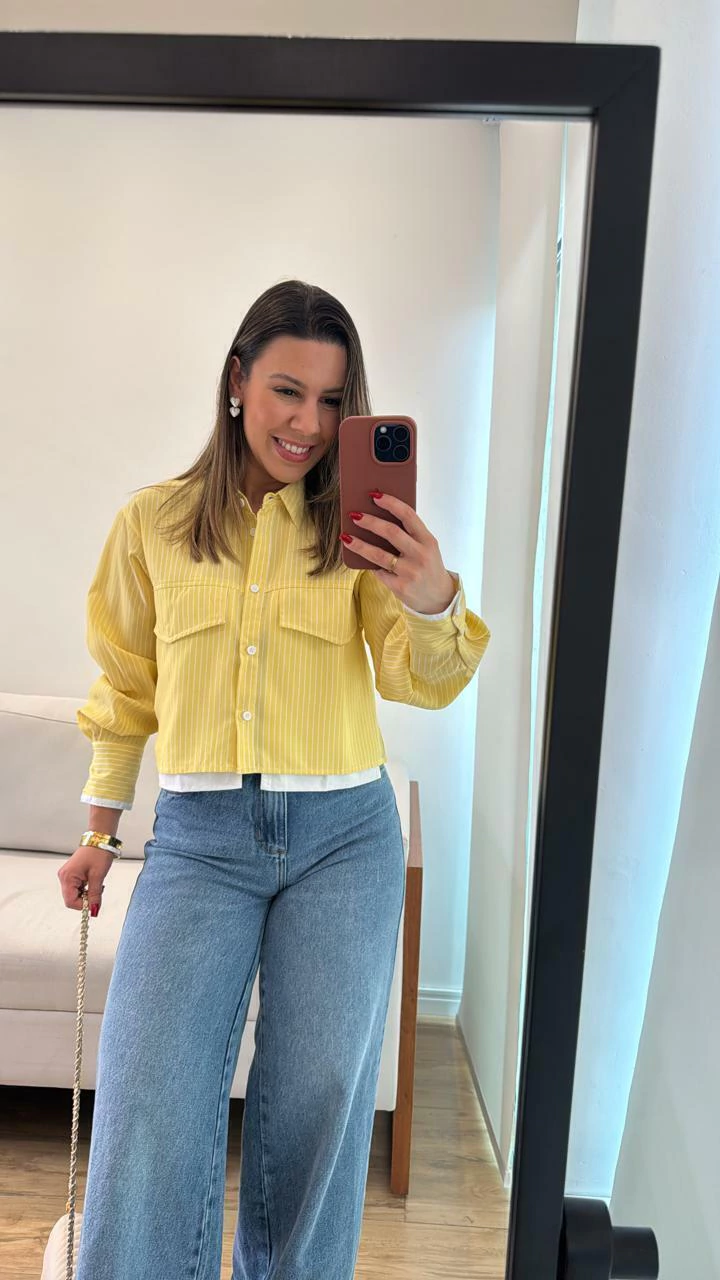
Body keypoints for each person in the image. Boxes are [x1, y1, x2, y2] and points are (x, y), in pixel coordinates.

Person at [58, 279, 491, 1280]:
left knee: (319, 1101)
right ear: (238, 381)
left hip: (345, 838)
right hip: (199, 837)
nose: (307, 423)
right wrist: (99, 831)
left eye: (332, 400)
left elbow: (419, 681)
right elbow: (126, 687)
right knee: (149, 1089)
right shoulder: (153, 523)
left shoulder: (359, 534)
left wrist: (431, 598)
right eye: (288, 390)